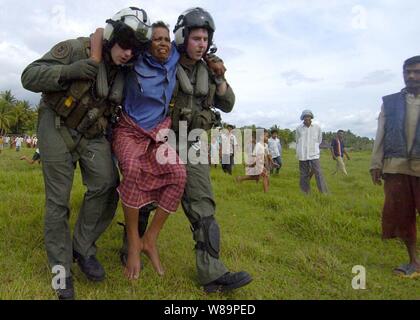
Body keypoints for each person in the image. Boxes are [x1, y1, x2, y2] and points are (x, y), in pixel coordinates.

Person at [21, 7, 151, 299]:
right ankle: (60, 272)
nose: (128, 53)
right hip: (56, 125)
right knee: (58, 202)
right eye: (124, 44)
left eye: (134, 48)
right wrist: (68, 71)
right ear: (113, 35)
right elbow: (28, 76)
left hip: (92, 135)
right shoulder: (77, 49)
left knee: (107, 185)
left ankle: (82, 246)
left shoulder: (123, 71)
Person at [170, 7, 252, 293]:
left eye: (205, 38)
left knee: (203, 207)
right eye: (196, 38)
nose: (201, 43)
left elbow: (227, 104)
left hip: (193, 145)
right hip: (162, 143)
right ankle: (132, 248)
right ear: (183, 37)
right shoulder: (165, 64)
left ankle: (212, 274)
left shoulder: (210, 69)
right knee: (145, 202)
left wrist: (219, 77)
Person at [112, 21, 187, 280]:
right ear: (149, 42)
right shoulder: (137, 57)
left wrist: (216, 64)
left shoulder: (176, 54)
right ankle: (133, 242)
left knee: (178, 174)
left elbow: (202, 47)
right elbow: (102, 35)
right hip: (129, 130)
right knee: (132, 169)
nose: (163, 43)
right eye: (157, 39)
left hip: (156, 134)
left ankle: (150, 239)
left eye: (166, 38)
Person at [370, 56, 420, 278]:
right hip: (396, 168)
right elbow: (380, 133)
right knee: (402, 216)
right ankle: (413, 262)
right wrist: (375, 163)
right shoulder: (389, 103)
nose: (411, 76)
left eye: (417, 72)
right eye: (407, 72)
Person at [296, 110, 328, 194]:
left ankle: (324, 193)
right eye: (305, 116)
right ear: (302, 118)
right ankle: (305, 192)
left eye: (308, 116)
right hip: (302, 154)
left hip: (314, 154)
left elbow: (319, 140)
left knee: (318, 173)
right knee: (303, 174)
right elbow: (297, 141)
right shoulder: (298, 128)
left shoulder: (317, 127)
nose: (307, 118)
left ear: (311, 117)